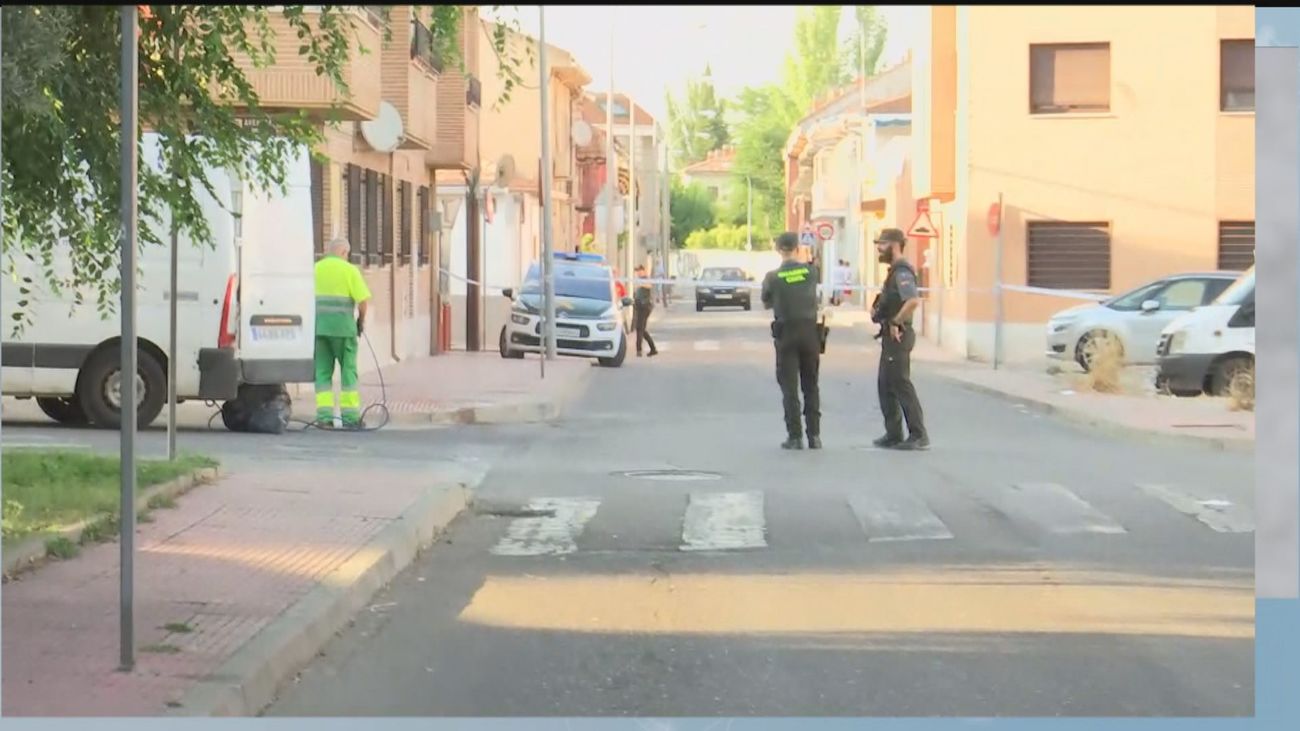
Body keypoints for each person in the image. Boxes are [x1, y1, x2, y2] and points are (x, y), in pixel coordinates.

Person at [761, 232, 822, 450]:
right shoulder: (811, 272)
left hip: (786, 332)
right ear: (798, 248)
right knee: (811, 386)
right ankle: (814, 436)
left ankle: (795, 437)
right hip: (810, 333)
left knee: (790, 388)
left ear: (778, 250)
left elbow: (766, 302)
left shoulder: (773, 277)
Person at [871, 228, 929, 451]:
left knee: (901, 384)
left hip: (899, 335)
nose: (879, 249)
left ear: (894, 245)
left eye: (882, 244)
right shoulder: (893, 271)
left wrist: (896, 321)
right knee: (886, 385)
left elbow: (913, 300)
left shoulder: (902, 271)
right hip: (889, 335)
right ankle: (893, 434)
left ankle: (918, 435)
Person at [314, 237, 372, 428]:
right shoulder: (350, 271)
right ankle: (350, 418)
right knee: (348, 372)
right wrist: (360, 322)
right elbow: (363, 301)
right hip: (344, 331)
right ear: (343, 252)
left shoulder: (316, 269)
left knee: (322, 373)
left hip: (320, 329)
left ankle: (324, 418)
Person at [632, 264, 659, 357]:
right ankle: (652, 349)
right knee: (641, 329)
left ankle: (639, 350)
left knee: (640, 329)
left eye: (639, 271)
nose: (638, 273)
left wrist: (640, 283)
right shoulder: (639, 280)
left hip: (645, 307)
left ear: (643, 271)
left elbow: (649, 285)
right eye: (637, 271)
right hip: (640, 307)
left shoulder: (645, 279)